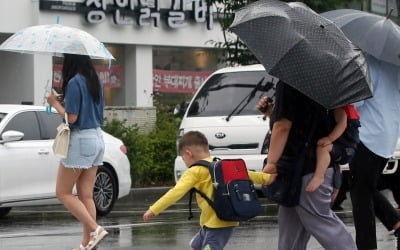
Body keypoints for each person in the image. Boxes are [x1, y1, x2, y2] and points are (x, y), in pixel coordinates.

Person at [258, 81, 357, 250]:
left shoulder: (290, 83)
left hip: (303, 168)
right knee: (292, 233)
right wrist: (272, 112)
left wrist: (271, 163)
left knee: (322, 224)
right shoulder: (326, 81)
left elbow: (282, 126)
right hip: (313, 166)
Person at [142, 131, 274, 250]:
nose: (185, 162)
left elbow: (175, 192)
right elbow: (249, 175)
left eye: (183, 159)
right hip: (215, 221)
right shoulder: (220, 164)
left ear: (188, 153)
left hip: (217, 223)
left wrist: (154, 209)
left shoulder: (194, 171)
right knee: (195, 246)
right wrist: (270, 178)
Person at [47, 54, 108, 250]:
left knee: (63, 192)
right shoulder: (93, 81)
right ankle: (88, 242)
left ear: (70, 61)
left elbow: (71, 118)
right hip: (97, 137)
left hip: (81, 139)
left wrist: (54, 103)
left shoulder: (74, 82)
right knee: (86, 195)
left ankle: (95, 229)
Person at [348, 54, 400, 250]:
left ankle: (366, 246)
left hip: (368, 136)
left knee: (360, 195)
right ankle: (395, 222)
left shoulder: (366, 65)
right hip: (386, 136)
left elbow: (357, 101)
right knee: (364, 188)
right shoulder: (393, 64)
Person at [305, 104, 360, 192]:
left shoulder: (339, 108)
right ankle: (336, 187)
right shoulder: (351, 108)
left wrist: (329, 139)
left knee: (322, 148)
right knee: (333, 159)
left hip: (345, 149)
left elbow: (342, 124)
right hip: (349, 149)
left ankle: (319, 176)